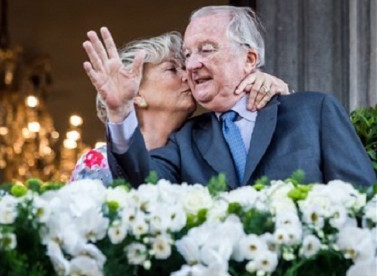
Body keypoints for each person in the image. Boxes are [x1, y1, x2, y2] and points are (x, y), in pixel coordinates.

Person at [88, 5, 376, 188]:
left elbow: (364, 202)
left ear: (249, 58)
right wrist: (120, 112)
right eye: (187, 54)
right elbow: (143, 181)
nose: (191, 65)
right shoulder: (185, 140)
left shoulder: (315, 112)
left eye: (206, 49)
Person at [72, 31, 290, 185]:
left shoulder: (213, 139)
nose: (189, 76)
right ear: (137, 93)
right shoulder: (98, 164)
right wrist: (119, 111)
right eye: (172, 69)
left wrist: (266, 92)